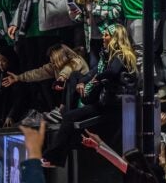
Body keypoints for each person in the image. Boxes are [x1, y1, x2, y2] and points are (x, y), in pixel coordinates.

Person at [41, 24, 137, 167]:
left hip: (115, 106)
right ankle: (55, 158)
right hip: (104, 102)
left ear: (115, 38)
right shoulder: (106, 57)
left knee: (70, 120)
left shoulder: (123, 55)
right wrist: (83, 82)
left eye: (106, 35)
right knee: (70, 115)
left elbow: (112, 72)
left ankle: (53, 158)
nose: (103, 38)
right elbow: (92, 72)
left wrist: (95, 79)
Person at [8, 0, 75, 111]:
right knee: (32, 72)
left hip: (51, 29)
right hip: (30, 29)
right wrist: (15, 22)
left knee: (49, 73)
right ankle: (37, 109)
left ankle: (51, 109)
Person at [2, 43, 89, 122]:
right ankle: (58, 111)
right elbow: (37, 73)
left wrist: (61, 78)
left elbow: (68, 69)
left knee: (72, 76)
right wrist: (18, 78)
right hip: (71, 96)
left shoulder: (76, 60)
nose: (52, 63)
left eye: (54, 61)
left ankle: (62, 110)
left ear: (61, 57)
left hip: (83, 95)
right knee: (46, 83)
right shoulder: (55, 66)